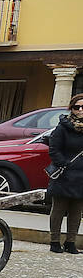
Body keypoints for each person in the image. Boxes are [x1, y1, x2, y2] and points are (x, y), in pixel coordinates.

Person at [46, 92, 83, 254]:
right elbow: (54, 149)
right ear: (71, 109)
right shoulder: (63, 127)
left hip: (82, 176)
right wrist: (64, 164)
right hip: (64, 173)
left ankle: (70, 242)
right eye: (77, 107)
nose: (81, 110)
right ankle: (55, 242)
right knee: (59, 209)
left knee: (76, 211)